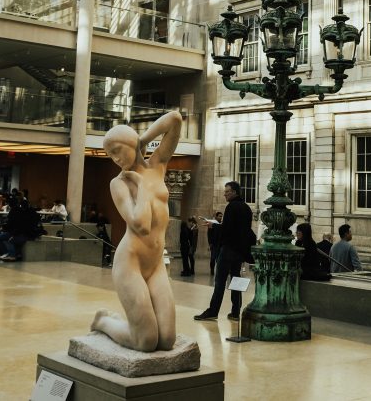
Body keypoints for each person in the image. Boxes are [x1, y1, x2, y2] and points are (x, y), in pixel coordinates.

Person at [89, 111, 182, 352]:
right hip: (130, 263)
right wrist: (141, 186)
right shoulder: (119, 183)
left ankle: (115, 323)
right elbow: (140, 224)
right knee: (146, 341)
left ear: (131, 144)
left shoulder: (158, 165)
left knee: (167, 339)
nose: (115, 159)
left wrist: (141, 139)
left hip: (155, 263)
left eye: (117, 151)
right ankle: (104, 322)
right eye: (110, 156)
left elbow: (174, 119)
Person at [195, 181, 254, 322]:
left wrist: (214, 226)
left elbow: (228, 230)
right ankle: (235, 312)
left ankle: (213, 311)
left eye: (227, 191)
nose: (225, 194)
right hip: (239, 252)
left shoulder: (231, 207)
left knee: (220, 281)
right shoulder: (246, 208)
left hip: (228, 250)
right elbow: (242, 231)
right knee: (236, 279)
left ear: (234, 192)